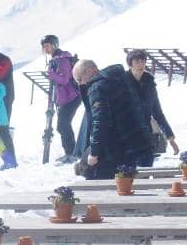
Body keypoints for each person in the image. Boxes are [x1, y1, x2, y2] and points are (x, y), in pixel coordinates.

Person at [71, 59, 153, 180]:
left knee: (109, 187)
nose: (80, 84)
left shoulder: (97, 88)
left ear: (89, 71)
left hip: (120, 150)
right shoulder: (123, 78)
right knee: (138, 191)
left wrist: (94, 153)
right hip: (141, 144)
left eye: (79, 79)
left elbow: (101, 121)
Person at [125, 49, 179, 163]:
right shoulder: (122, 82)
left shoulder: (149, 83)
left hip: (145, 135)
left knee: (145, 171)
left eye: (143, 61)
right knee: (127, 175)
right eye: (137, 62)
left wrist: (170, 137)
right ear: (130, 64)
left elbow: (158, 114)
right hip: (126, 136)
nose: (141, 65)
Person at [41, 35, 80, 163]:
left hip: (72, 96)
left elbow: (64, 79)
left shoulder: (63, 59)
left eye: (47, 45)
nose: (45, 48)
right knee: (63, 125)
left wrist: (51, 74)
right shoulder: (56, 59)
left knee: (63, 124)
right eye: (44, 46)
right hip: (67, 97)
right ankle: (71, 153)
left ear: (54, 45)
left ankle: (72, 153)